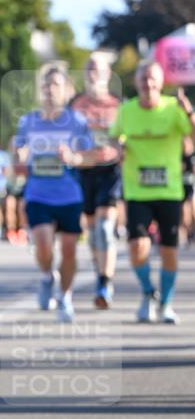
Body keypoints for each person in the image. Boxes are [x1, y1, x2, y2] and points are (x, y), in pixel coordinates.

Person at [108, 61, 195, 323]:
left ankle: (166, 304)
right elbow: (113, 137)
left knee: (169, 252)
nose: (148, 83)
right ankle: (148, 292)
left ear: (161, 82)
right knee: (137, 247)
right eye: (143, 78)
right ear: (136, 82)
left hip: (169, 192)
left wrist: (189, 112)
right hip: (137, 191)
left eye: (152, 78)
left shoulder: (173, 108)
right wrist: (118, 147)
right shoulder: (127, 110)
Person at [13, 65, 97, 323]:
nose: (50, 89)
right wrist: (19, 156)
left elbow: (90, 158)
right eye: (46, 85)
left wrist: (73, 157)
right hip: (38, 193)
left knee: (69, 251)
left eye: (56, 85)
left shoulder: (77, 122)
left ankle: (65, 296)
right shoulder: (28, 121)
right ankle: (48, 275)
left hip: (69, 195)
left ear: (66, 91)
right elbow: (17, 154)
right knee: (43, 244)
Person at [70, 52, 122, 308]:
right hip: (84, 170)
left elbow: (125, 137)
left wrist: (121, 147)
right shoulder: (76, 105)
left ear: (107, 74)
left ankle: (105, 283)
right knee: (92, 233)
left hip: (109, 170)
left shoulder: (118, 106)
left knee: (104, 229)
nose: (93, 72)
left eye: (98, 68)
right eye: (89, 67)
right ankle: (99, 269)